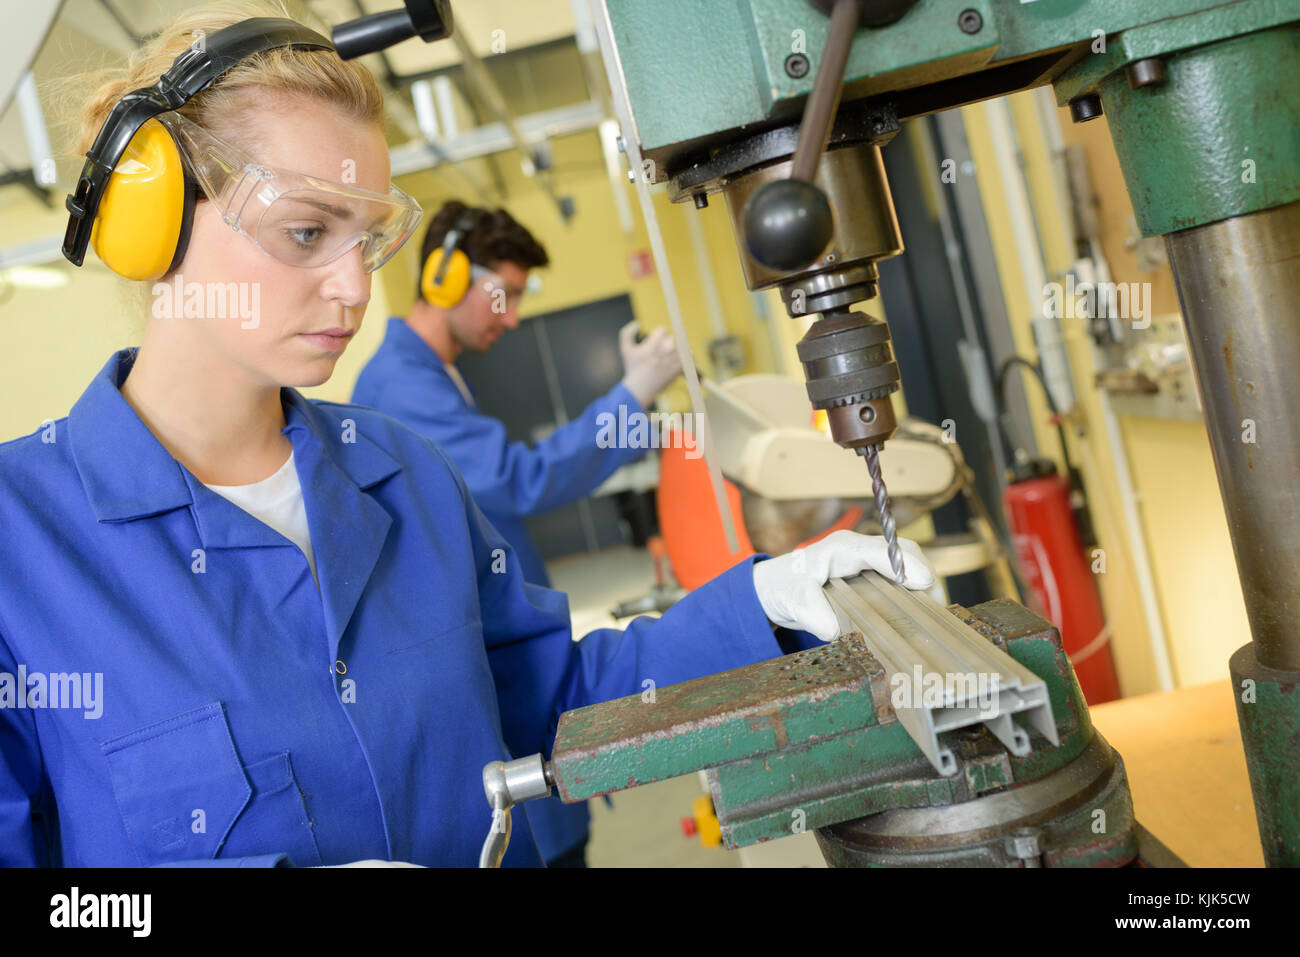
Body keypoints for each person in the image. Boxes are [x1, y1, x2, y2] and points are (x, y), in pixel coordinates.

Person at [0, 1, 941, 868]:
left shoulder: (402, 472)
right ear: (150, 216)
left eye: (366, 241)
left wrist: (762, 605)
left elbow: (552, 695)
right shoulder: (20, 544)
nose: (356, 288)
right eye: (304, 233)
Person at [350, 203, 683, 866]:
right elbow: (521, 478)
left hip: (507, 658)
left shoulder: (434, 375)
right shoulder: (399, 386)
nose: (511, 316)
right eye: (503, 295)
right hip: (490, 674)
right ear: (445, 277)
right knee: (543, 844)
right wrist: (631, 395)